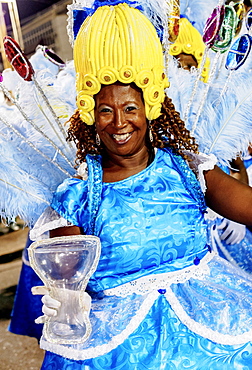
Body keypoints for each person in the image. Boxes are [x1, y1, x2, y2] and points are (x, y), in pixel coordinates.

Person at [24, 2, 252, 369]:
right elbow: (68, 283)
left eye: (130, 108)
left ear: (149, 107)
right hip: (115, 350)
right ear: (88, 114)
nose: (118, 123)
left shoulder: (186, 169)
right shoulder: (76, 196)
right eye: (105, 110)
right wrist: (66, 301)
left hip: (214, 332)